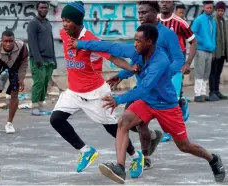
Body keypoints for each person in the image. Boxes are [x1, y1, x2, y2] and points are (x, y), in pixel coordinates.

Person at [97, 23, 225, 184]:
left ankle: (213, 159)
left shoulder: (160, 60)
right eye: (134, 40)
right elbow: (132, 65)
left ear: (149, 42)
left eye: (138, 40)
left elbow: (143, 88)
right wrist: (81, 44)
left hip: (167, 106)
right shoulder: (140, 52)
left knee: (184, 146)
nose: (134, 43)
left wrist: (118, 99)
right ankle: (120, 168)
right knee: (123, 122)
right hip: (148, 102)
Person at [69, 1, 184, 170]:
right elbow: (130, 58)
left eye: (144, 12)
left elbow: (178, 59)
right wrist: (122, 75)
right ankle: (146, 151)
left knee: (179, 141)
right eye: (139, 13)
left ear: (155, 13)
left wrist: (165, 74)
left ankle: (145, 154)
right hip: (143, 90)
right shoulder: (141, 35)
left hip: (160, 92)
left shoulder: (167, 35)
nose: (140, 16)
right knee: (135, 122)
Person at [50, 1, 144, 178]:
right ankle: (85, 151)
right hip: (73, 92)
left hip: (95, 93)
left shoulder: (91, 40)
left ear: (77, 22)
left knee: (113, 129)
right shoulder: (64, 34)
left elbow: (113, 57)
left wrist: (131, 68)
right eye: (63, 20)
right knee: (56, 119)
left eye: (68, 20)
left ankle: (136, 156)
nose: (64, 24)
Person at [158, 0, 197, 142]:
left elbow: (193, 41)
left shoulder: (180, 22)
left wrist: (187, 62)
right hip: (158, 65)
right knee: (160, 97)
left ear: (173, 4)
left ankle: (168, 131)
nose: (164, 4)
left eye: (167, 2)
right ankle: (183, 102)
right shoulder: (154, 20)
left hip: (175, 64)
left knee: (169, 98)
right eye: (162, 1)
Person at [0, 31, 28, 134]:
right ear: (1, 41)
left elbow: (24, 61)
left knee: (15, 91)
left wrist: (21, 78)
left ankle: (9, 123)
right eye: (5, 41)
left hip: (15, 65)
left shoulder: (22, 46)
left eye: (10, 41)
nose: (8, 44)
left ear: (14, 40)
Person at [27, 1, 57, 116]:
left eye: (45, 7)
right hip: (38, 59)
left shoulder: (47, 23)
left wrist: (54, 59)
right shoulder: (33, 23)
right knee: (39, 82)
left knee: (45, 84)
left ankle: (40, 106)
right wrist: (38, 59)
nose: (44, 9)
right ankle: (34, 107)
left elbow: (51, 42)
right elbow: (32, 42)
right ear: (37, 9)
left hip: (49, 59)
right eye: (41, 7)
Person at [191, 0, 216, 102]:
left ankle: (203, 93)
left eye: (211, 7)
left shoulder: (212, 21)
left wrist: (213, 46)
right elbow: (192, 33)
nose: (209, 9)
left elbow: (213, 35)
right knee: (199, 72)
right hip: (201, 49)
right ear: (204, 8)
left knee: (206, 73)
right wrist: (201, 42)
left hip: (210, 50)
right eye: (207, 7)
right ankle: (198, 94)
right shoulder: (199, 20)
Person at [208, 1, 228, 100]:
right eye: (219, 10)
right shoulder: (213, 21)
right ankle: (212, 92)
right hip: (215, 52)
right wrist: (212, 52)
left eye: (222, 11)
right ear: (216, 11)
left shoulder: (224, 22)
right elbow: (211, 37)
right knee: (213, 72)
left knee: (218, 72)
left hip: (222, 52)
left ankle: (217, 91)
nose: (220, 12)